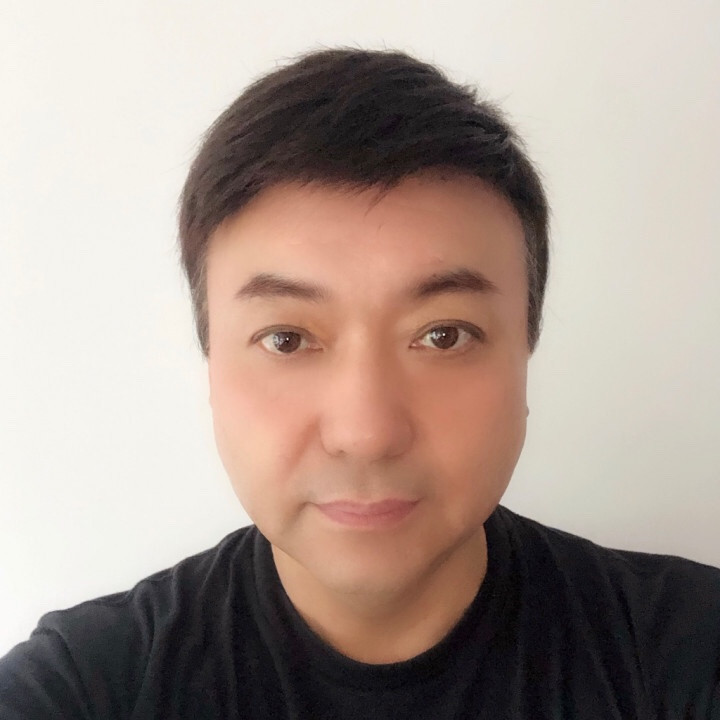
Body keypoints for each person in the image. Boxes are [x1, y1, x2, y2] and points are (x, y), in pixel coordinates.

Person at [1, 46, 718, 720]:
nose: (366, 432)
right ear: (211, 364)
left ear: (525, 351)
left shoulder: (682, 650)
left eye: (444, 335)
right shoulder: (85, 687)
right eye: (287, 339)